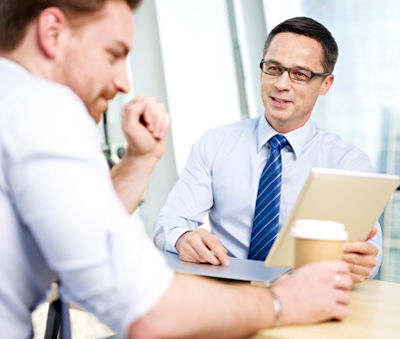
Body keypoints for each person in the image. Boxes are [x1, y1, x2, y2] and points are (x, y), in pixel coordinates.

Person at [0, 3, 353, 338]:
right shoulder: (42, 108)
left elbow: (79, 229)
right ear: (52, 32)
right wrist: (282, 301)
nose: (124, 82)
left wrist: (140, 159)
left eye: (300, 74)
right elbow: (147, 309)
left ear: (325, 83)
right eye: (113, 54)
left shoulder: (15, 101)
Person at [153, 17, 381, 283]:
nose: (281, 84)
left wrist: (363, 263)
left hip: (307, 295)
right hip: (225, 295)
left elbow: (369, 250)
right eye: (274, 68)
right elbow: (169, 222)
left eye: (300, 74)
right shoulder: (215, 144)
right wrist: (184, 238)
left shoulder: (348, 163)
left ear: (326, 84)